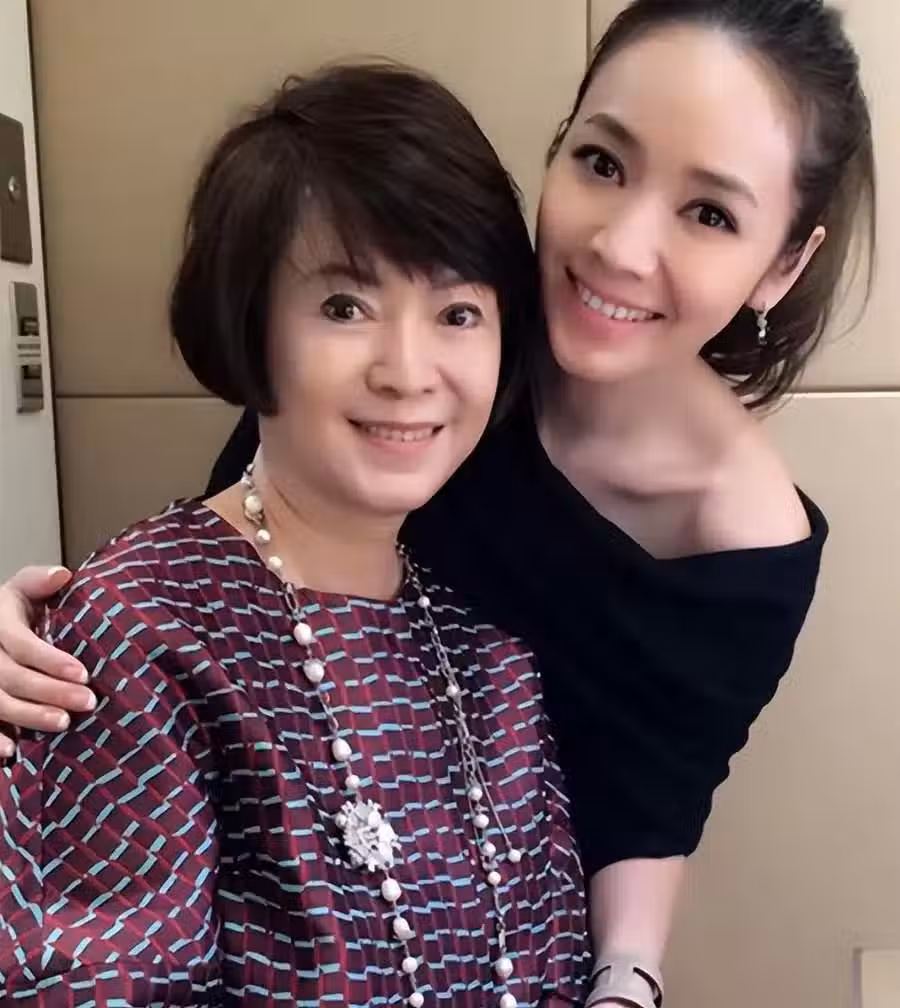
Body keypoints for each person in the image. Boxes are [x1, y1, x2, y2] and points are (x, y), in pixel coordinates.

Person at [0, 0, 876, 1003]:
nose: (622, 246)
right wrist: (69, 630)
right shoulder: (424, 346)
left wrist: (624, 982)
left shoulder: (686, 561)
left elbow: (650, 803)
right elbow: (239, 575)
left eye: (710, 212)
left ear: (784, 263)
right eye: (602, 162)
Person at [0, 64, 593, 1007]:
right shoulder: (141, 628)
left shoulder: (490, 663)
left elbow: (556, 967)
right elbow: (102, 983)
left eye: (457, 313)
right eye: (345, 307)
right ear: (250, 326)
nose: (408, 371)